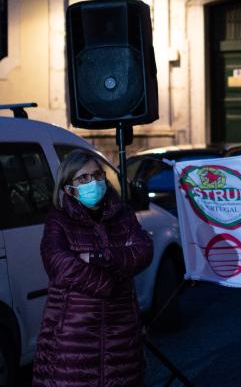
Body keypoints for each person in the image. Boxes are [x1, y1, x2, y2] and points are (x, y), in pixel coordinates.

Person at [32, 150, 153, 386]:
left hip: (121, 336)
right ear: (68, 187)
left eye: (97, 175)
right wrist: (110, 282)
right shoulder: (59, 219)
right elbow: (59, 264)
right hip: (74, 336)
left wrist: (98, 256)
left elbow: (143, 251)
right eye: (83, 178)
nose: (93, 183)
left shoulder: (123, 214)